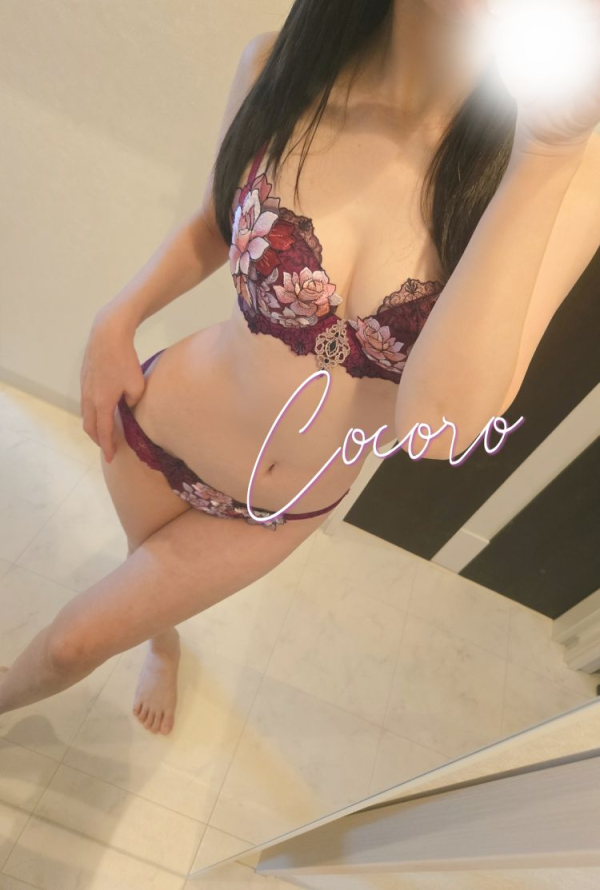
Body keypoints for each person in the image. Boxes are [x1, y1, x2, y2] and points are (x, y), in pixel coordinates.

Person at [1, 0, 599, 736]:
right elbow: (215, 221)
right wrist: (115, 320)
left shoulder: (566, 167)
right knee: (136, 578)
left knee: (72, 644)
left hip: (277, 510)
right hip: (159, 425)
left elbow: (441, 429)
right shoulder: (277, 68)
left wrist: (546, 156)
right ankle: (161, 641)